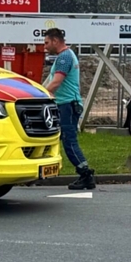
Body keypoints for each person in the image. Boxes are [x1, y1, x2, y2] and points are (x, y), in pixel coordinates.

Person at [43, 28, 95, 190]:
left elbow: (56, 82)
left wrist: (40, 96)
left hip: (67, 105)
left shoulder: (64, 57)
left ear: (55, 41)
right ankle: (39, 171)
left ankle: (85, 173)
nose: (44, 47)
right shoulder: (67, 55)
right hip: (66, 104)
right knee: (51, 138)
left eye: (46, 43)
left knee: (69, 140)